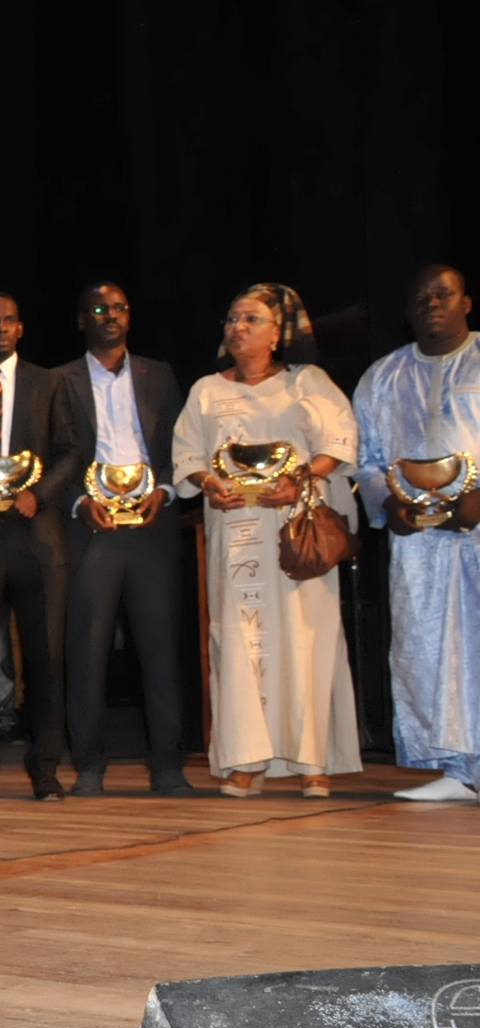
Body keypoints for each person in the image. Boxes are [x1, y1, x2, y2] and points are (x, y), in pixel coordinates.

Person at [174, 283, 361, 796]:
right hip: (235, 533)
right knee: (240, 641)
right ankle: (246, 760)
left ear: (278, 333)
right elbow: (187, 455)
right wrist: (208, 483)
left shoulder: (308, 382)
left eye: (251, 319)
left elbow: (340, 442)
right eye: (232, 319)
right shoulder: (206, 390)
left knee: (305, 639)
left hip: (295, 531)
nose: (237, 327)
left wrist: (301, 479)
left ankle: (312, 760)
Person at [54, 282, 192, 796]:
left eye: (118, 308)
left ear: (129, 317)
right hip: (93, 531)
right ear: (81, 320)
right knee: (86, 652)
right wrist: (77, 501)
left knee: (161, 650)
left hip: (152, 527)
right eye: (99, 308)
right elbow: (50, 456)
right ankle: (89, 765)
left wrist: (165, 488)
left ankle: (168, 765)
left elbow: (181, 445)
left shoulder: (160, 375)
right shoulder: (58, 381)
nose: (109, 315)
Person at [356, 265, 480, 803]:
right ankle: (458, 769)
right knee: (427, 647)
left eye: (443, 294)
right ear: (407, 311)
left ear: (466, 303)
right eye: (421, 297)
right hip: (419, 543)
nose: (432, 303)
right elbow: (366, 461)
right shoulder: (382, 377)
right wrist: (389, 506)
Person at [0, 294, 75, 802]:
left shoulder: (48, 383)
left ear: (21, 328)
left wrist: (39, 495)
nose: (1, 328)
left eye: (9, 320)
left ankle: (44, 767)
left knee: (46, 658)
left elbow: (71, 451)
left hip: (36, 537)